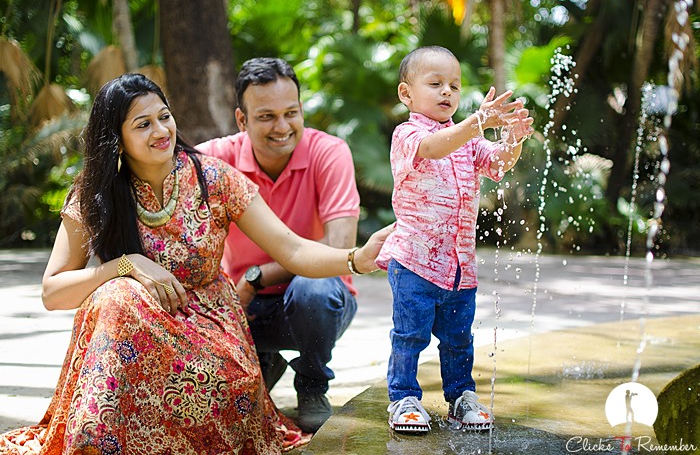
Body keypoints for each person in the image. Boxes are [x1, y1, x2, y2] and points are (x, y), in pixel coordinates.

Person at [0, 73, 391, 454]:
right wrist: (125, 265)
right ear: (117, 139)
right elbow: (53, 293)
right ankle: (96, 442)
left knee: (128, 308)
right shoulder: (95, 192)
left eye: (164, 117)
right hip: (134, 342)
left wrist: (357, 258)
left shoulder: (214, 178)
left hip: (212, 335)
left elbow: (292, 250)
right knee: (117, 297)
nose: (161, 131)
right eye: (143, 124)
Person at [196, 57, 361, 433]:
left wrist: (257, 278)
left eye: (291, 113)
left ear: (302, 109)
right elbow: (158, 165)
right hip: (240, 307)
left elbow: (339, 248)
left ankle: (313, 384)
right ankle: (263, 360)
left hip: (317, 300)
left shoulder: (329, 152)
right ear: (242, 120)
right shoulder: (216, 158)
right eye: (266, 116)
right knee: (220, 421)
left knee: (314, 288)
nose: (282, 127)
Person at [375, 46, 534, 433]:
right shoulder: (408, 134)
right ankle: (404, 399)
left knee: (459, 340)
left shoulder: (465, 137)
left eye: (455, 86)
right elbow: (432, 149)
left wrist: (512, 138)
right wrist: (477, 123)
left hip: (459, 267)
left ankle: (461, 397)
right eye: (435, 84)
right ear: (406, 93)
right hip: (414, 262)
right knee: (409, 335)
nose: (447, 92)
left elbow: (496, 163)